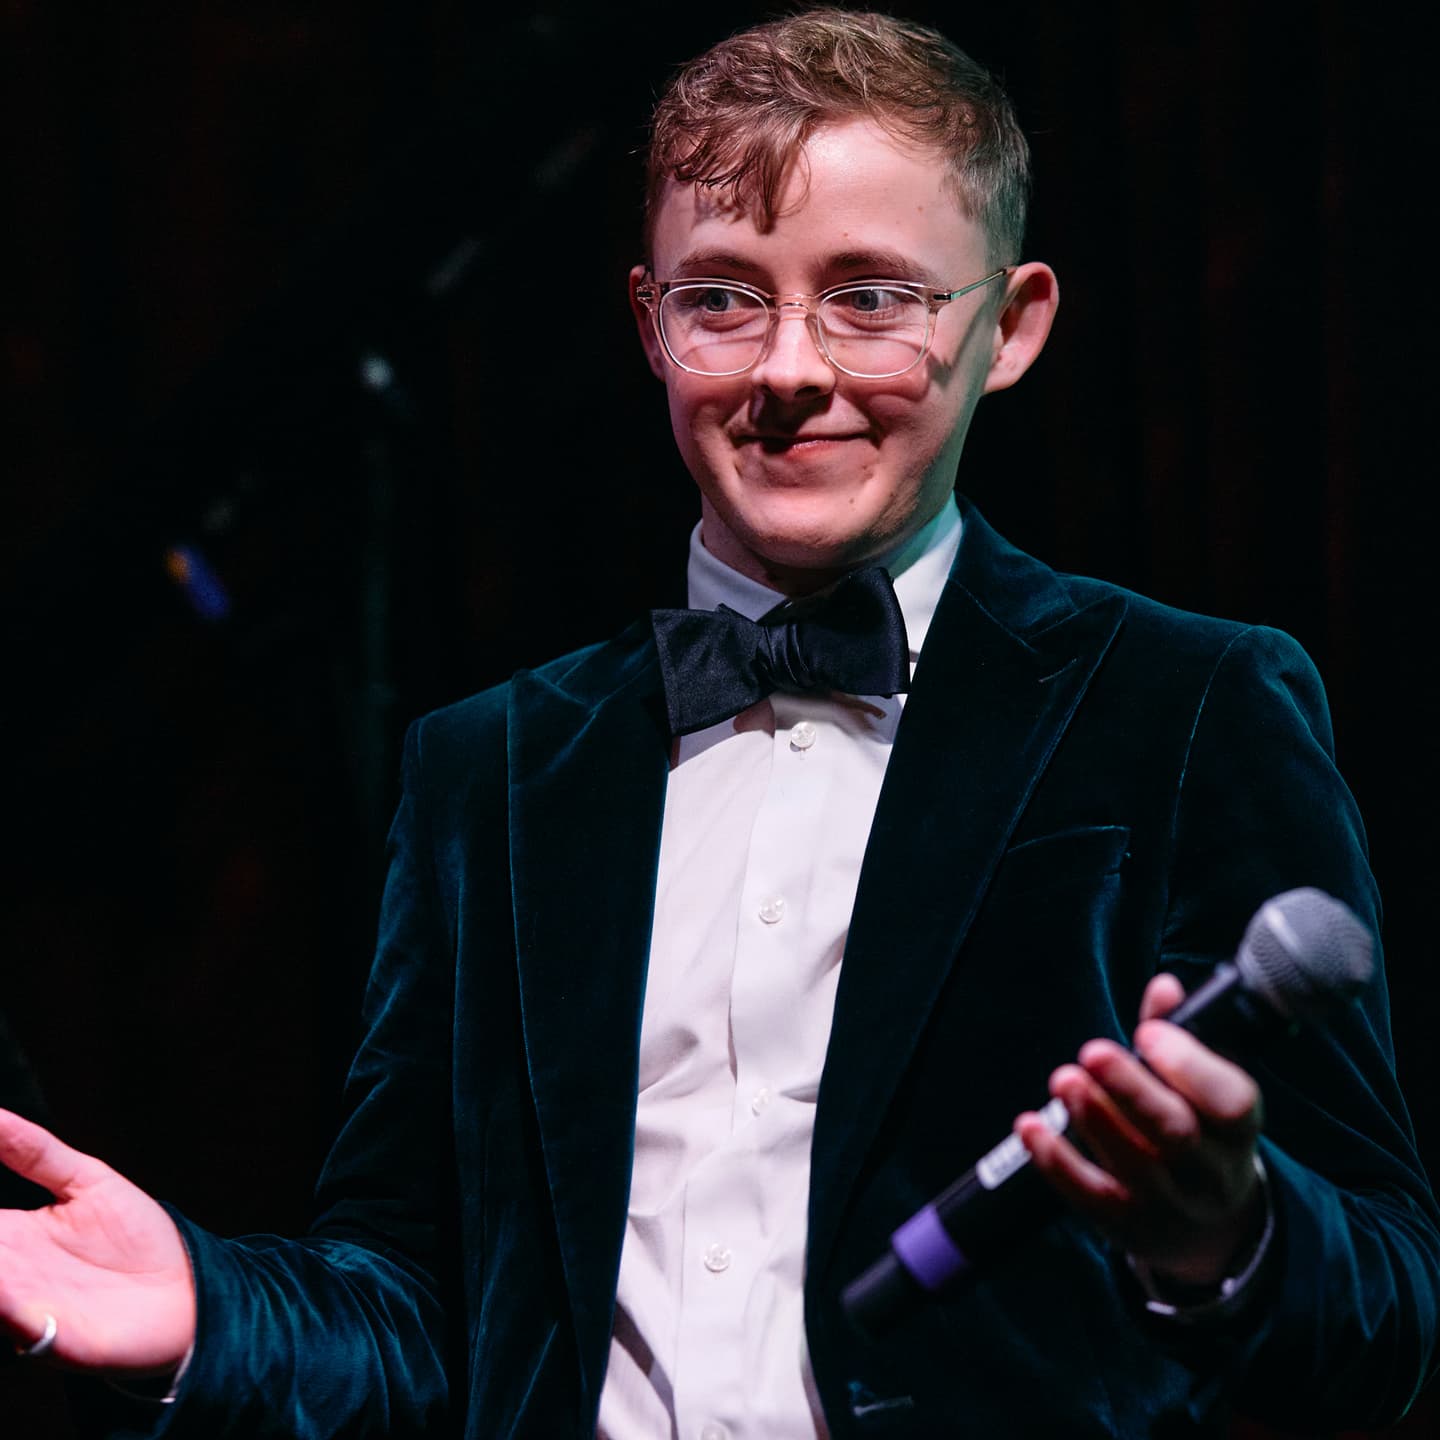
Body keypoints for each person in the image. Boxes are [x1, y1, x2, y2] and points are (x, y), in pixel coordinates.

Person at [1, 10, 1437, 1437]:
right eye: (726, 299)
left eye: (873, 297)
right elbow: (422, 1309)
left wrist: (1227, 1234)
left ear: (1010, 326)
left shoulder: (1186, 704)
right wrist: (207, 1307)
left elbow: (1386, 1316)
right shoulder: (490, 769)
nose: (790, 368)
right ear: (650, 324)